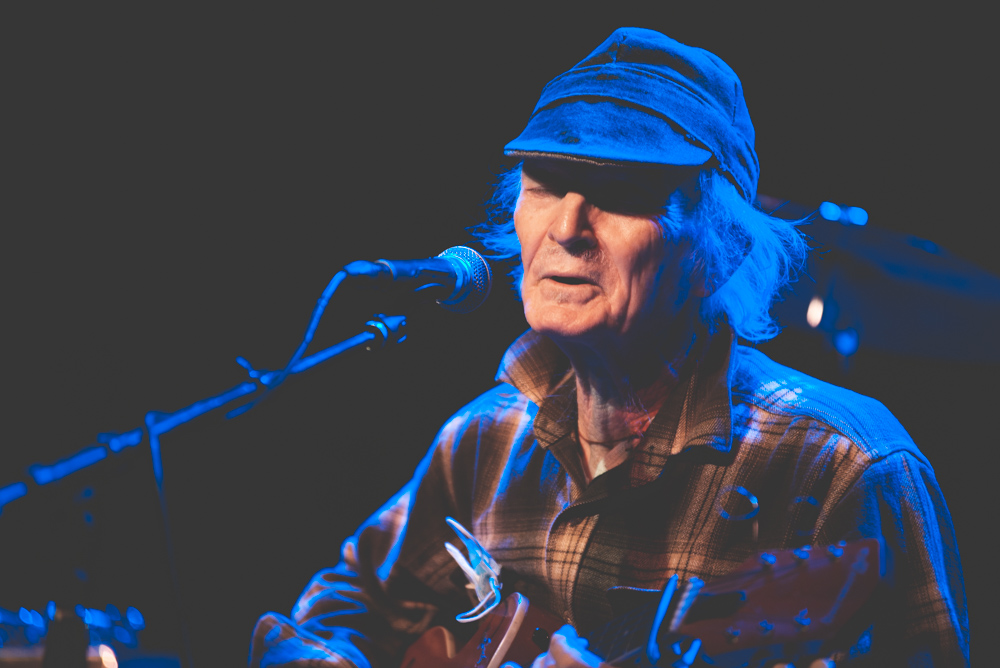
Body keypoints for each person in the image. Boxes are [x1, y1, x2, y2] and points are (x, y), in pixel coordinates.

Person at [249, 28, 969, 667]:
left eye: (620, 193)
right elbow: (345, 605)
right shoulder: (484, 438)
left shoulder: (843, 468)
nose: (566, 226)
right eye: (546, 183)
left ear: (720, 251)